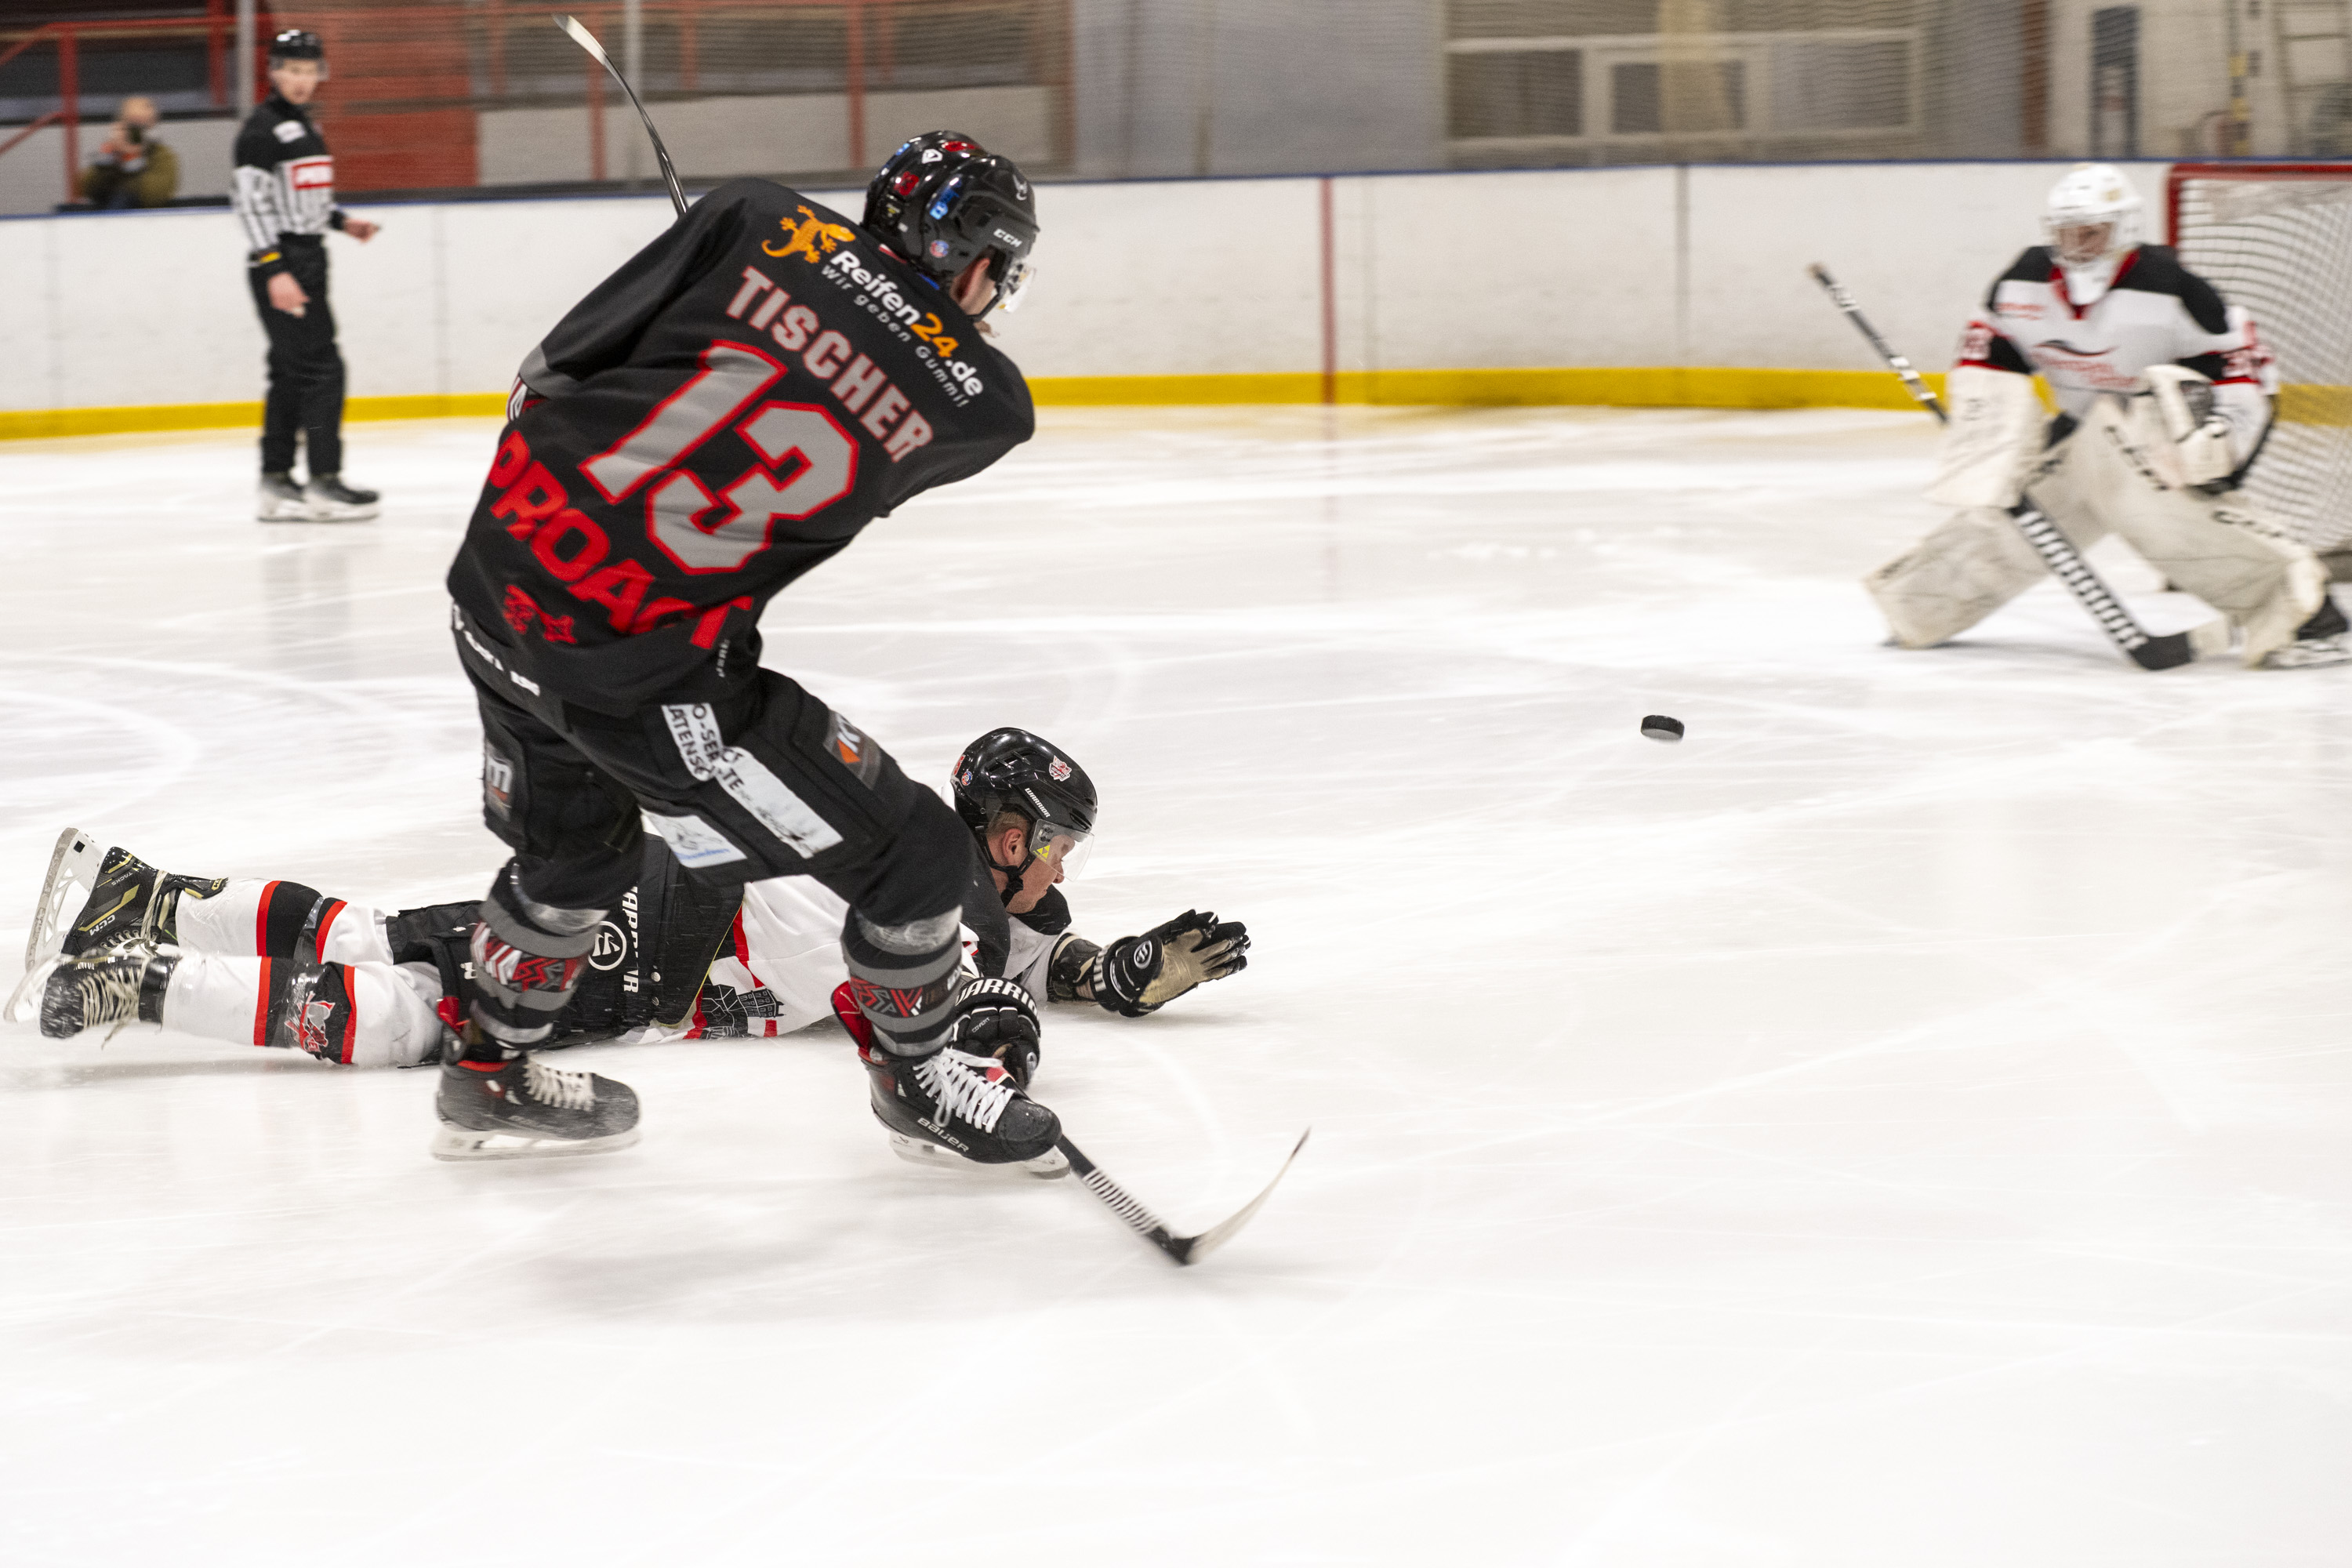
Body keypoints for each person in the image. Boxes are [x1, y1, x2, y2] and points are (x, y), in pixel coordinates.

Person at [20, 732, 1251, 1137]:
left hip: (665, 912)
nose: (1061, 869)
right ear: (1001, 832)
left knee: (400, 936)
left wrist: (1127, 972)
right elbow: (972, 1011)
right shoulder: (938, 896)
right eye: (1053, 844)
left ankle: (137, 891)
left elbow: (1040, 970)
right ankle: (142, 978)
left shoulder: (959, 885)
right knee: (422, 1019)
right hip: (663, 947)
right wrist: (1005, 1055)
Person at [1864, 162, 2349, 670]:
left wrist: (2220, 448)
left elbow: (2242, 374)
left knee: (2172, 521)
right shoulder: (2020, 285)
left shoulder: (2173, 290)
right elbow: (1990, 362)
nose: (2076, 246)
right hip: (2083, 425)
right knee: (2014, 512)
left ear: (2127, 230)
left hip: (2168, 429)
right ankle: (1922, 605)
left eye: (2091, 233)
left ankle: (2311, 616)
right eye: (2065, 233)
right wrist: (1992, 442)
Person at [232, 30, 380, 524]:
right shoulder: (262, 130)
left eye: (308, 70)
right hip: (285, 263)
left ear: (321, 74)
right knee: (323, 369)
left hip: (306, 256)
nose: (300, 80)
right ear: (273, 71)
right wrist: (275, 269)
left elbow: (302, 196)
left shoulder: (301, 126)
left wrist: (341, 222)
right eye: (290, 69)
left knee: (290, 371)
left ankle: (275, 482)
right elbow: (251, 206)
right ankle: (324, 483)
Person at [76, 96, 178, 209]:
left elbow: (153, 196)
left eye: (142, 126)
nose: (136, 132)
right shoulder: (109, 155)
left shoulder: (163, 156)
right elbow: (87, 189)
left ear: (152, 126)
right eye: (130, 124)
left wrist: (133, 160)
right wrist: (109, 159)